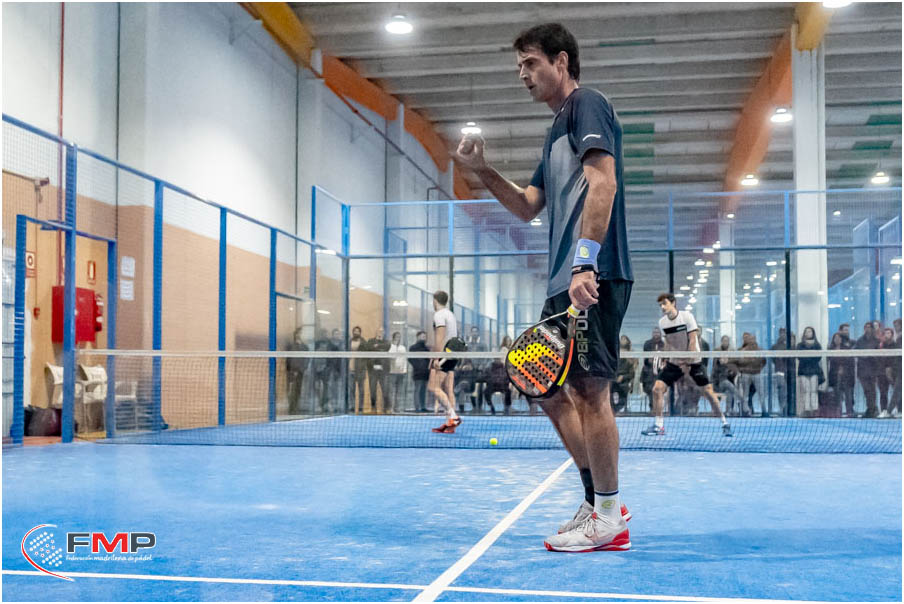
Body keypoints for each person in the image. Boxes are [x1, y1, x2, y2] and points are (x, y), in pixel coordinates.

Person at [456, 23, 633, 552]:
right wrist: (482, 170)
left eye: (530, 63)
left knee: (591, 390)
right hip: (564, 278)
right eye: (519, 67)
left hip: (593, 272)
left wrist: (585, 264)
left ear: (561, 62)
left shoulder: (587, 105)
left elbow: (604, 182)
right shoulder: (557, 130)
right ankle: (598, 501)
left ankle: (609, 516)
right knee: (550, 389)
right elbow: (527, 206)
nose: (523, 74)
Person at [641, 293, 731, 437]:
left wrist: (687, 361)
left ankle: (724, 423)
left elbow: (693, 340)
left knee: (708, 393)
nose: (662, 307)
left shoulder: (687, 317)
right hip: (675, 362)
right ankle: (659, 426)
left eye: (665, 303)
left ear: (673, 303)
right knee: (657, 389)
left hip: (693, 362)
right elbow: (668, 343)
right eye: (660, 305)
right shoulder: (662, 322)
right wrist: (665, 358)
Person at [429, 291, 461, 433]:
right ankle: (450, 424)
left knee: (433, 387)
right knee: (448, 389)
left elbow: (440, 336)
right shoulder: (450, 314)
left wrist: (436, 357)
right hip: (452, 354)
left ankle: (453, 416)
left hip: (444, 354)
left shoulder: (439, 315)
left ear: (435, 300)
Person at [736, 332, 768, 416]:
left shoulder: (760, 350)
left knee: (761, 393)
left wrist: (758, 368)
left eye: (753, 339)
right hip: (745, 374)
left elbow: (764, 361)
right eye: (750, 339)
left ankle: (764, 411)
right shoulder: (743, 351)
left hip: (757, 374)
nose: (751, 340)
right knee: (745, 394)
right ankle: (745, 411)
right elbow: (739, 362)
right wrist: (744, 367)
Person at [712, 336, 743, 416]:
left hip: (727, 386)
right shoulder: (717, 367)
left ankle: (728, 411)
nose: (724, 359)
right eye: (722, 358)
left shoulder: (729, 366)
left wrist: (731, 373)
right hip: (718, 385)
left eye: (726, 358)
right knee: (725, 382)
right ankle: (740, 398)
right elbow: (715, 377)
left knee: (729, 392)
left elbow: (734, 372)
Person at [796, 326, 823, 417]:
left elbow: (818, 357)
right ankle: (807, 409)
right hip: (803, 371)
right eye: (806, 331)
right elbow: (800, 357)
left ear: (813, 333)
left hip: (814, 371)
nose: (808, 333)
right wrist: (809, 359)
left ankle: (814, 409)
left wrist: (809, 359)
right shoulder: (800, 345)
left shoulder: (817, 345)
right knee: (806, 390)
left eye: (810, 331)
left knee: (813, 390)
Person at [855, 321, 880, 418]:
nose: (867, 329)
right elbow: (855, 351)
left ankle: (873, 409)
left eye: (869, 327)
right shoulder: (860, 340)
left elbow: (878, 355)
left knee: (872, 391)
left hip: (873, 370)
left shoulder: (876, 341)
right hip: (862, 370)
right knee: (866, 390)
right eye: (866, 327)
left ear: (872, 329)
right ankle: (871, 408)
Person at [828, 332, 855, 417]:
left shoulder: (847, 349)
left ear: (841, 339)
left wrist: (843, 368)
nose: (837, 339)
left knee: (848, 395)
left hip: (846, 376)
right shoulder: (830, 350)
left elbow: (850, 362)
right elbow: (831, 363)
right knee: (837, 395)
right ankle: (838, 413)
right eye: (835, 338)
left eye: (838, 338)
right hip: (835, 376)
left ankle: (849, 412)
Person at [770, 328, 795, 415]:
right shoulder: (776, 346)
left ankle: (791, 409)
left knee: (791, 391)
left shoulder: (793, 346)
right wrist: (779, 365)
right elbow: (773, 357)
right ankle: (782, 408)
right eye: (781, 333)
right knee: (782, 391)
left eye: (784, 333)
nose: (783, 335)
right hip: (780, 371)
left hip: (791, 371)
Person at [640, 327, 665, 411]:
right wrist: (650, 360)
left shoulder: (664, 345)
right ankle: (653, 408)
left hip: (661, 371)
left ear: (660, 334)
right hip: (649, 374)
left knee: (658, 386)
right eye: (654, 332)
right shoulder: (647, 344)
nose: (656, 334)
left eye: (658, 332)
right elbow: (645, 360)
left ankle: (659, 408)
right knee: (652, 388)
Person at [367, 327, 391, 414]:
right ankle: (373, 408)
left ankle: (387, 408)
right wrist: (378, 347)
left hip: (383, 370)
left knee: (385, 390)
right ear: (376, 332)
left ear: (384, 333)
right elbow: (369, 348)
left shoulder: (386, 342)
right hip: (372, 369)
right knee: (372, 390)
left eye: (382, 331)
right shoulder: (370, 341)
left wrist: (377, 345)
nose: (380, 333)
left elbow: (387, 347)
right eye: (379, 331)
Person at [610, 336, 636, 414]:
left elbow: (632, 373)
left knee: (623, 392)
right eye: (621, 339)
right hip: (613, 378)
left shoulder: (631, 356)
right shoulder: (614, 353)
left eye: (624, 339)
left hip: (624, 380)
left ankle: (618, 409)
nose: (623, 340)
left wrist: (623, 377)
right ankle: (611, 409)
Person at [312, 328, 335, 413]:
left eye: (325, 333)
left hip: (326, 370)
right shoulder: (316, 344)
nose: (324, 335)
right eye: (323, 333)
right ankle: (319, 404)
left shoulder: (330, 345)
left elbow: (332, 358)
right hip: (317, 370)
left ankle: (326, 404)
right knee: (317, 387)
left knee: (327, 387)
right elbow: (314, 359)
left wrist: (329, 368)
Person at [286, 328, 308, 415]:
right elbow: (289, 359)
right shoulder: (291, 346)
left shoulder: (305, 347)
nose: (299, 335)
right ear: (295, 335)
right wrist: (292, 370)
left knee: (298, 390)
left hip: (301, 372)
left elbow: (306, 359)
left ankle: (296, 408)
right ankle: (291, 408)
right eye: (298, 333)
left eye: (301, 333)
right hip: (292, 371)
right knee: (292, 390)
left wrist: (303, 369)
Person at [467, 326, 489, 412]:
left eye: (476, 332)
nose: (474, 333)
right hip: (471, 370)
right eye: (473, 332)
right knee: (471, 388)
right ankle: (474, 407)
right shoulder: (468, 345)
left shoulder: (483, 344)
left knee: (480, 389)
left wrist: (482, 365)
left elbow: (487, 357)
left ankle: (479, 407)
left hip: (480, 370)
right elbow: (466, 357)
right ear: (471, 333)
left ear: (478, 333)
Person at [408, 331, 431, 412]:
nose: (424, 338)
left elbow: (429, 360)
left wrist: (427, 369)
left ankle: (423, 406)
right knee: (417, 389)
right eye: (422, 336)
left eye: (425, 336)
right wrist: (418, 366)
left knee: (423, 390)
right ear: (418, 337)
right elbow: (410, 359)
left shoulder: (427, 349)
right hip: (417, 373)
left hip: (425, 373)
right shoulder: (413, 348)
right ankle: (417, 407)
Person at [387, 331, 407, 414]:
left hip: (401, 373)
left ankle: (397, 408)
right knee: (391, 391)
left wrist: (404, 369)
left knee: (399, 391)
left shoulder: (403, 348)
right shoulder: (390, 347)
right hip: (392, 372)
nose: (398, 338)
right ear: (393, 338)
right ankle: (391, 408)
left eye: (399, 337)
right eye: (396, 337)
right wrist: (394, 345)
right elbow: (392, 356)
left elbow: (404, 359)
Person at [348, 326, 366, 414]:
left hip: (360, 370)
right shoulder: (349, 342)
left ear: (360, 332)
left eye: (357, 331)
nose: (356, 332)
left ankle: (361, 407)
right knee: (351, 390)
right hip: (350, 369)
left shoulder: (363, 342)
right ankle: (351, 407)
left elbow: (367, 357)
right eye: (354, 331)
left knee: (361, 390)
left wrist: (363, 367)